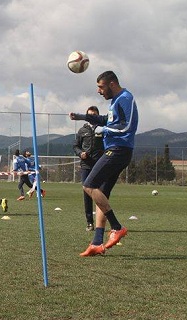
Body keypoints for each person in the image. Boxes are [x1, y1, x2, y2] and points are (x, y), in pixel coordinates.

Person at [69, 70, 138, 257]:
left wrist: (104, 129)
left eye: (101, 87)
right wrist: (83, 117)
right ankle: (97, 242)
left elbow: (127, 125)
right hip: (117, 149)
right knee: (102, 193)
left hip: (118, 149)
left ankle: (116, 227)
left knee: (89, 185)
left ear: (112, 84)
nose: (99, 91)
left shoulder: (125, 98)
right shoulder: (115, 102)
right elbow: (107, 119)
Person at [72, 106, 105, 231]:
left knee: (101, 193)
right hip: (86, 165)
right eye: (89, 114)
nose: (92, 117)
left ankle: (101, 223)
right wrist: (80, 153)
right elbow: (75, 146)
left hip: (100, 165)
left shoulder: (102, 129)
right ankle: (89, 222)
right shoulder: (82, 130)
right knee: (87, 193)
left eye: (94, 114)